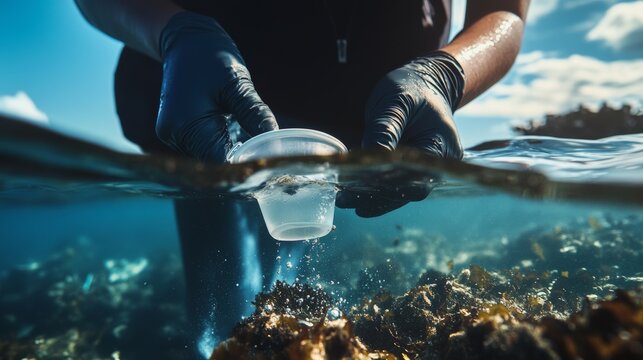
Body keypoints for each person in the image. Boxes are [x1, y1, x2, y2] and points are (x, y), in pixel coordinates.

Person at [74, 0, 530, 355]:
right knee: (224, 317)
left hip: (370, 116)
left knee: (285, 300)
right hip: (205, 106)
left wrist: (446, 74)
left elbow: (505, 11)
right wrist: (172, 32)